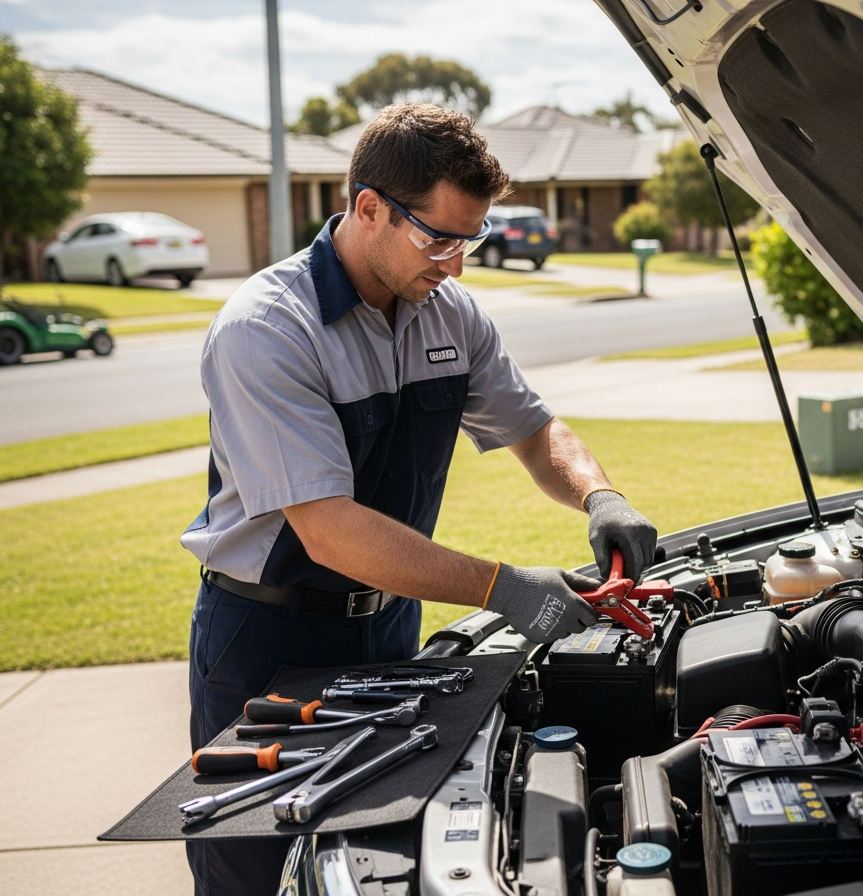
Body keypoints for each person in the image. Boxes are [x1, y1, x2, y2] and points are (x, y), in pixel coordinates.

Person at [179, 103, 657, 895]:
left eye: (469, 240)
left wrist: (600, 496)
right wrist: (503, 587)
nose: (456, 266)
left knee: (379, 862)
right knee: (257, 869)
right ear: (369, 208)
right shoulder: (267, 328)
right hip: (268, 636)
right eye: (439, 239)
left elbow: (534, 431)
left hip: (392, 626)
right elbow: (329, 531)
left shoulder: (450, 314)